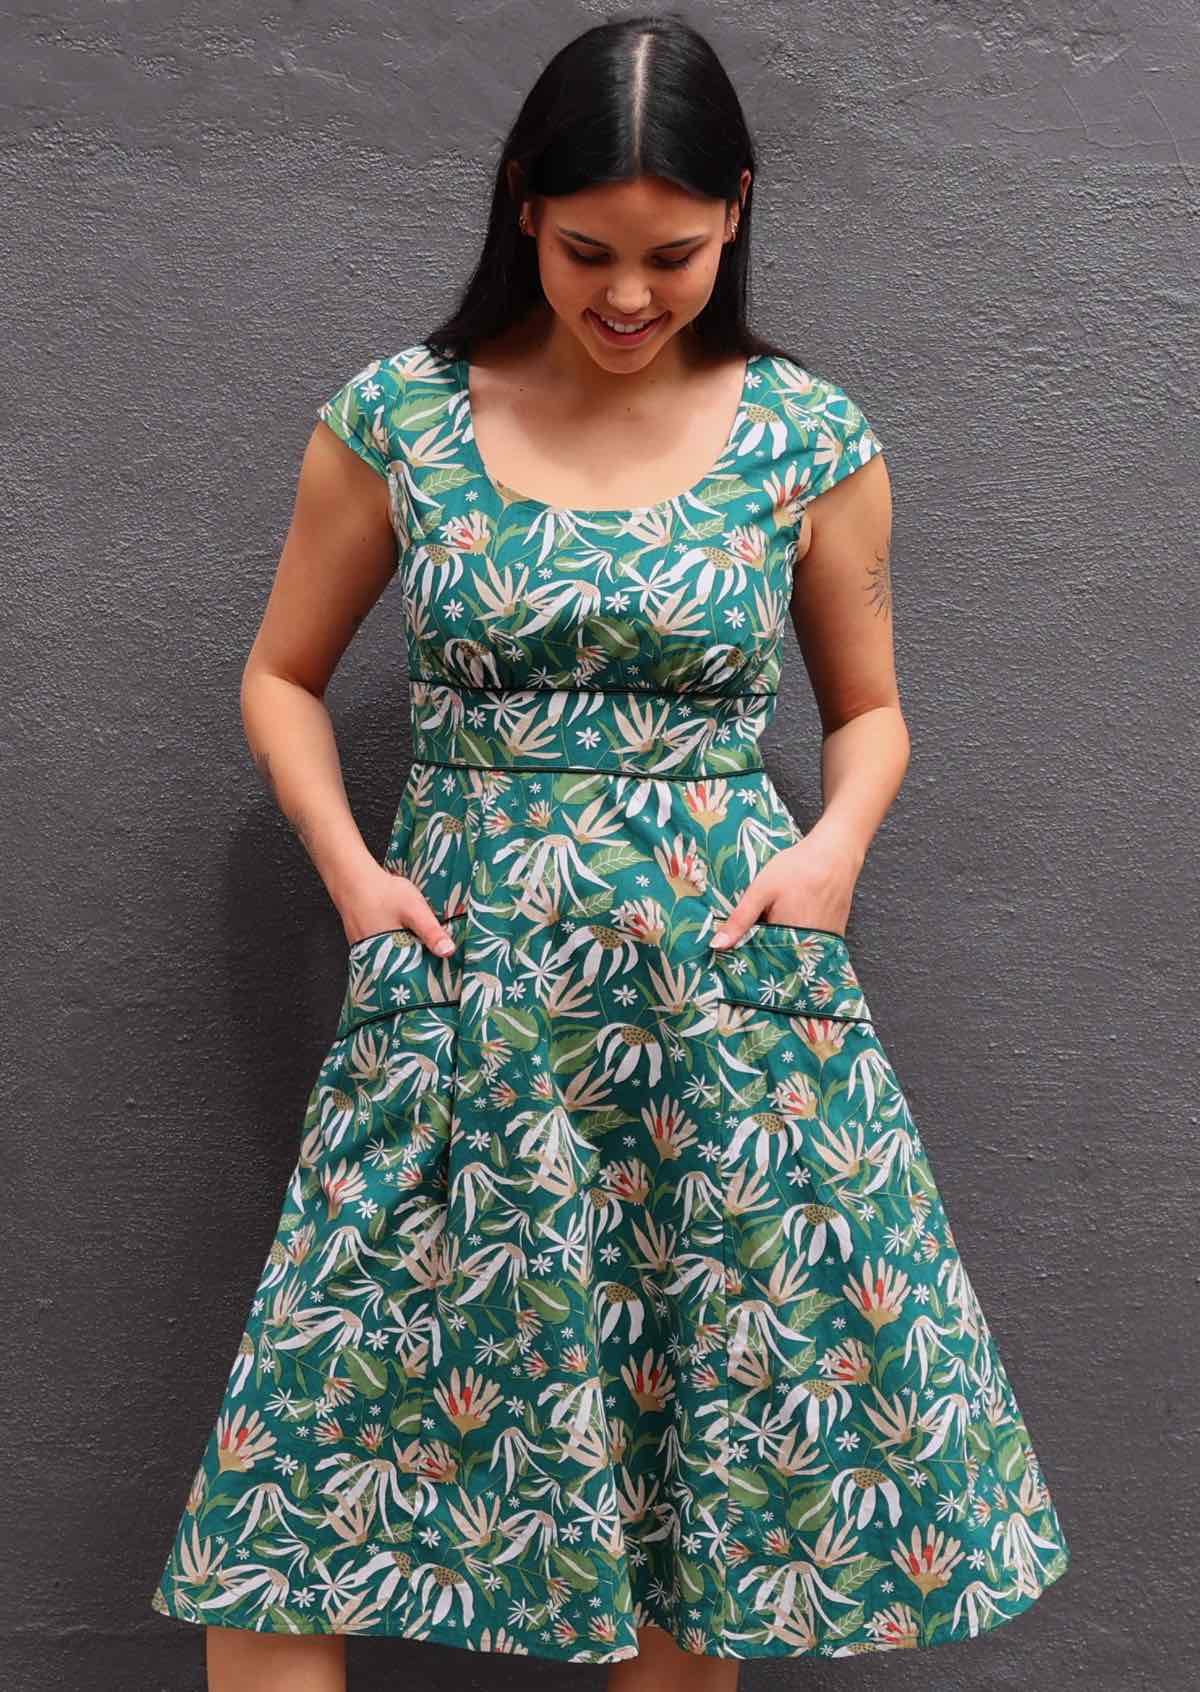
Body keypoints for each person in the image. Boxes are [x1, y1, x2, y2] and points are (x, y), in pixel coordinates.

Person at [150, 13, 1071, 1690]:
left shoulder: (811, 438)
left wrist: (836, 851)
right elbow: (280, 676)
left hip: (718, 1016)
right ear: (520, 209)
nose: (631, 295)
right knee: (295, 1498)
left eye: (676, 254)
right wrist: (355, 876)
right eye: (589, 252)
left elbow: (871, 715)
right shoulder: (398, 420)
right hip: (459, 999)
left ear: (737, 211)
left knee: (684, 1483)